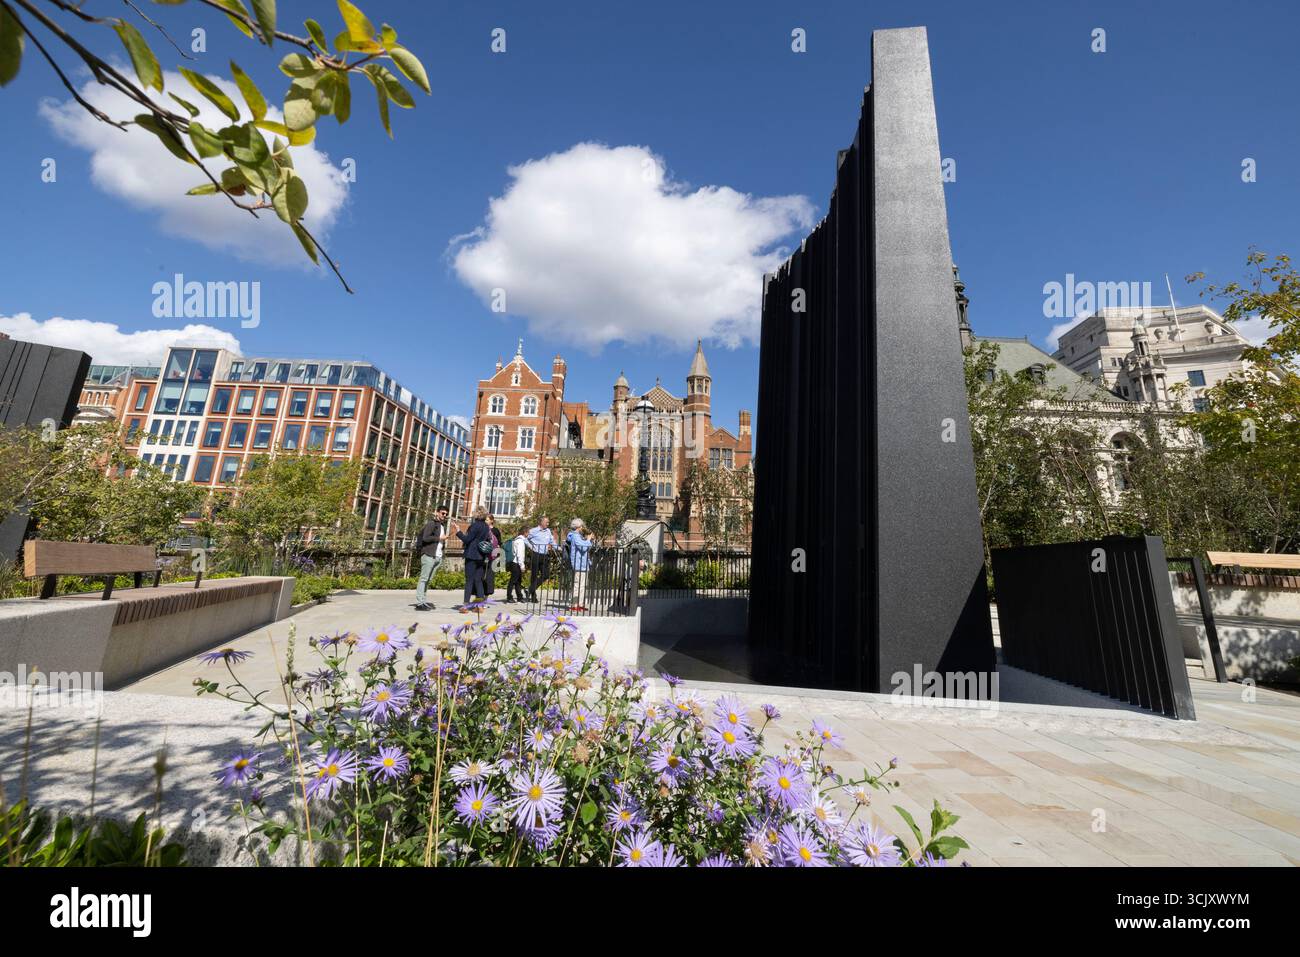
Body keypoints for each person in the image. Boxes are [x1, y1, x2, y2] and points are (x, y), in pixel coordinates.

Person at [414, 505, 452, 611]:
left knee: (428, 580)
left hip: (437, 556)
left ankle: (423, 601)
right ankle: (420, 602)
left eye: (446, 514)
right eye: (442, 513)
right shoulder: (431, 524)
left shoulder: (442, 526)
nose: (444, 515)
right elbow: (426, 538)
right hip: (429, 555)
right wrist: (439, 538)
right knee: (424, 579)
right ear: (437, 512)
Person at [456, 506, 493, 605]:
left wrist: (458, 532)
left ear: (477, 514)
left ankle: (466, 604)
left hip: (471, 555)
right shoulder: (486, 527)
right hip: (481, 556)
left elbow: (467, 540)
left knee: (469, 580)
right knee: (478, 580)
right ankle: (480, 605)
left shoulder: (474, 525)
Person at [525, 515, 558, 602]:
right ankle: (533, 597)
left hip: (545, 555)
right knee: (534, 576)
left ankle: (530, 589)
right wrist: (531, 547)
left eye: (548, 522)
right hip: (536, 554)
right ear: (541, 522)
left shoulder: (548, 531)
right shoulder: (533, 531)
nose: (548, 523)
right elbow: (525, 539)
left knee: (546, 575)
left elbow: (552, 542)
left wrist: (559, 548)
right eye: (546, 522)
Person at [567, 522, 594, 611]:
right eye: (582, 526)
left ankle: (580, 604)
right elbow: (582, 547)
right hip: (578, 564)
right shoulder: (575, 536)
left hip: (584, 564)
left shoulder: (579, 536)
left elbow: (586, 548)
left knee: (583, 585)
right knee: (577, 584)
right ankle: (574, 605)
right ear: (578, 527)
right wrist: (588, 539)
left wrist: (588, 539)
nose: (583, 527)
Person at [483, 513, 503, 597]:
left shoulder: (495, 530)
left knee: (490, 575)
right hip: (484, 554)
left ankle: (487, 593)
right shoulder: (483, 529)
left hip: (493, 555)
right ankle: (481, 593)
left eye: (487, 520)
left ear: (491, 521)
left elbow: (499, 542)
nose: (485, 521)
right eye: (485, 520)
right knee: (482, 574)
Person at [506, 527, 528, 602]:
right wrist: (522, 566)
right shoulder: (521, 541)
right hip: (516, 563)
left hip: (514, 563)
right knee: (513, 581)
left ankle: (519, 596)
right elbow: (520, 555)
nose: (529, 534)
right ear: (525, 532)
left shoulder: (516, 540)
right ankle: (509, 597)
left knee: (518, 581)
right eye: (528, 533)